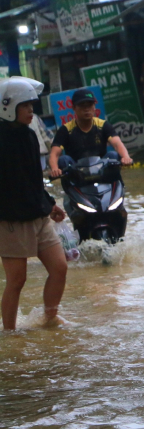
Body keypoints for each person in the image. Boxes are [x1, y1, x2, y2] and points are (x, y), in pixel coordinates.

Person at [0, 77, 67, 330]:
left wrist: (49, 204)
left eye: (31, 105)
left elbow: (33, 178)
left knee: (59, 267)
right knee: (16, 280)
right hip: (11, 220)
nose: (31, 111)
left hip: (38, 216)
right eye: (25, 106)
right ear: (9, 107)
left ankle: (50, 318)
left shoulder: (29, 135)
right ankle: (9, 333)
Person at [48, 88, 133, 178]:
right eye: (82, 106)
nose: (87, 109)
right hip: (77, 173)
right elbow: (54, 153)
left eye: (89, 105)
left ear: (94, 107)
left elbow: (117, 144)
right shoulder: (65, 129)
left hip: (101, 170)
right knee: (63, 159)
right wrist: (54, 169)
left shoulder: (103, 125)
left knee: (113, 155)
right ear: (74, 108)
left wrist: (126, 157)